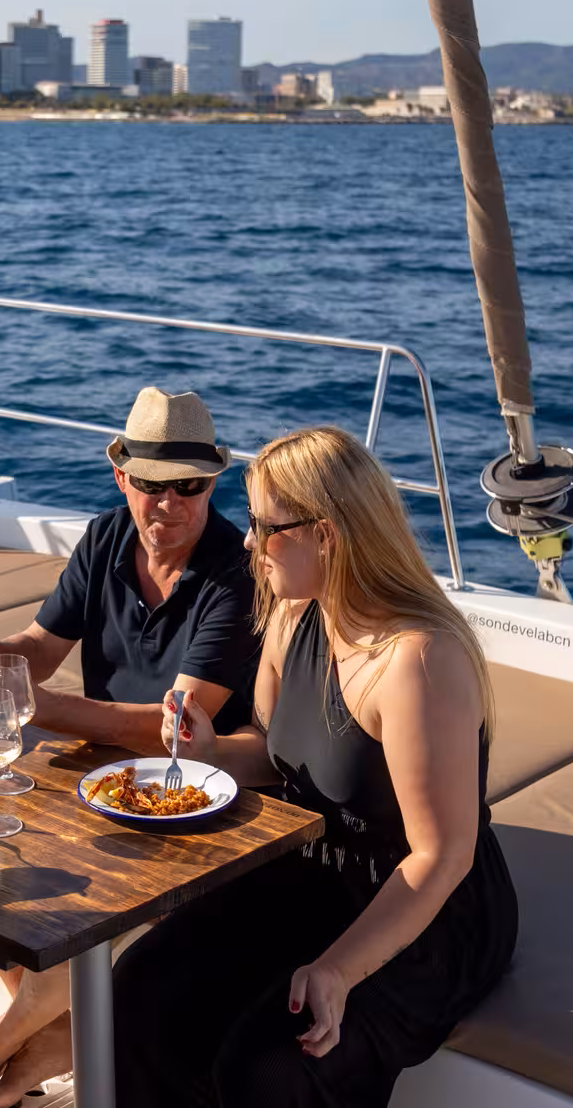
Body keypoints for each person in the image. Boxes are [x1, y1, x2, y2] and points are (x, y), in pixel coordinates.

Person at [113, 425, 519, 1108]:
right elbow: (274, 751)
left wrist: (337, 971)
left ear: (326, 534)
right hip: (313, 877)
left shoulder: (416, 660)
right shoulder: (293, 614)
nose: (246, 541)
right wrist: (210, 748)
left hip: (425, 912)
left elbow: (441, 856)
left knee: (270, 1066)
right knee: (141, 987)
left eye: (264, 526)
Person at [0, 387, 261, 1108]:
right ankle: (53, 1049)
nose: (168, 504)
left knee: (59, 912)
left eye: (189, 488)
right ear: (121, 479)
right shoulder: (107, 537)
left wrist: (36, 708)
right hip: (101, 787)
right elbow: (37, 648)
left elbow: (178, 727)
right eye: (150, 486)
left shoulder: (236, 573)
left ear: (214, 485)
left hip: (199, 798)